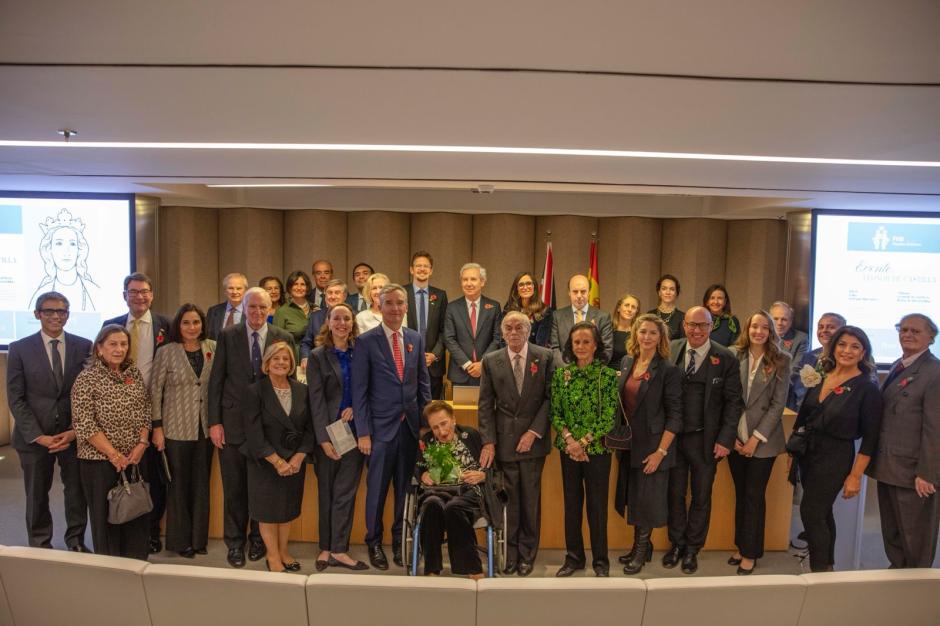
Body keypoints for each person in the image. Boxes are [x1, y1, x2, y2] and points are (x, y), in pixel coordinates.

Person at [208, 287, 294, 568]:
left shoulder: (283, 337)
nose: (257, 312)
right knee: (234, 489)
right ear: (243, 308)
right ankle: (235, 543)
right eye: (252, 307)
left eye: (262, 307)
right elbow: (216, 382)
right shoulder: (228, 336)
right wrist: (215, 422)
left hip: (267, 431)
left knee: (261, 489)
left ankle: (259, 540)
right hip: (232, 425)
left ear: (271, 309)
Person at [353, 284, 431, 570]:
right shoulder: (366, 342)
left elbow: (423, 385)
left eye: (400, 303)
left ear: (406, 307)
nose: (395, 308)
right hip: (378, 432)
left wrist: (426, 426)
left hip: (409, 429)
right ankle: (373, 542)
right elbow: (359, 393)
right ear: (380, 305)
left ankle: (400, 541)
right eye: (389, 303)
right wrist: (363, 432)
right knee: (376, 491)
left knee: (404, 490)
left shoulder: (415, 339)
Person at [793, 326, 882, 572]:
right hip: (809, 454)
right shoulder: (823, 375)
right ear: (833, 347)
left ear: (863, 353)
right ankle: (827, 567)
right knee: (822, 514)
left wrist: (855, 476)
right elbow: (805, 416)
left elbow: (871, 439)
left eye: (855, 346)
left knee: (810, 512)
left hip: (835, 457)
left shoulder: (867, 388)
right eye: (842, 344)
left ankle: (819, 572)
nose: (847, 350)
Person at [7, 291, 91, 551]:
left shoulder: (84, 345)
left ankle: (75, 541)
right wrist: (38, 435)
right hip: (35, 438)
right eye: (49, 311)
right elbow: (16, 398)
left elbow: (89, 394)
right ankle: (40, 543)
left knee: (76, 493)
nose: (56, 316)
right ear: (37, 314)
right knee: (37, 494)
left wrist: (76, 431)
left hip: (71, 435)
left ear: (68, 315)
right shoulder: (19, 348)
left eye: (61, 311)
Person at [664, 306, 743, 574]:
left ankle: (692, 549)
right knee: (674, 495)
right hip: (673, 439)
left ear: (711, 327)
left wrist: (725, 439)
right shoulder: (671, 350)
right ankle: (676, 544)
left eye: (703, 325)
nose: (696, 330)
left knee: (701, 496)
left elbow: (734, 403)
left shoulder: (726, 357)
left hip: (707, 441)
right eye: (691, 325)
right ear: (683, 325)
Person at [477, 311, 555, 576]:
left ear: (528, 330)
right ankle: (509, 554)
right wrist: (488, 442)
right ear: (502, 332)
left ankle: (527, 554)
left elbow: (550, 398)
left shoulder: (544, 357)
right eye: (508, 328)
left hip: (533, 441)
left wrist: (534, 431)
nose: (513, 332)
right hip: (505, 441)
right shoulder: (491, 360)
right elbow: (485, 404)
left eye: (518, 327)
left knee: (531, 500)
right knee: (509, 501)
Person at [102, 272, 171, 554]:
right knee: (118, 473)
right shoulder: (111, 325)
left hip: (155, 410)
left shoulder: (166, 325)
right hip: (118, 412)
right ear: (124, 295)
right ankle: (119, 529)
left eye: (144, 291)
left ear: (152, 295)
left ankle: (151, 531)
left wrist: (157, 423)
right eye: (133, 292)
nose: (139, 297)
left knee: (152, 477)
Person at [70, 324, 152, 559]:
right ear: (99, 349)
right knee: (106, 518)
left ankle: (137, 563)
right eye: (113, 344)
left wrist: (141, 444)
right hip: (99, 462)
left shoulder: (133, 374)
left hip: (135, 457)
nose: (119, 349)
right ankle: (111, 570)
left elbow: (145, 409)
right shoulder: (86, 379)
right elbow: (85, 423)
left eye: (123, 344)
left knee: (135, 512)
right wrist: (113, 455)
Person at [867, 314, 940, 568]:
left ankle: (916, 589)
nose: (907, 334)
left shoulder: (935, 372)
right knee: (893, 533)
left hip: (914, 473)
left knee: (916, 538)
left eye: (915, 331)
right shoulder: (901, 364)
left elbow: (935, 429)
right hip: (889, 466)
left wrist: (927, 473)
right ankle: (899, 578)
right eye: (903, 329)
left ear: (931, 337)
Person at [615, 314, 683, 575]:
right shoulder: (626, 362)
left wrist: (661, 452)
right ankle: (640, 546)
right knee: (634, 498)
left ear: (661, 338)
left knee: (647, 501)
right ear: (635, 334)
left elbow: (675, 416)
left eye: (653, 333)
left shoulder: (668, 370)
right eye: (643, 332)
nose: (646, 337)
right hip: (629, 444)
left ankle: (641, 552)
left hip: (654, 446)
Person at [550, 322, 618, 577]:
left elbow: (609, 416)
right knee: (572, 505)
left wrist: (584, 442)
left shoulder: (608, 376)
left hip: (597, 452)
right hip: (568, 450)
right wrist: (570, 441)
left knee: (597, 508)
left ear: (596, 344)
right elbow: (555, 413)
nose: (580, 346)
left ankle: (601, 561)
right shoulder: (561, 375)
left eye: (586, 342)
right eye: (576, 342)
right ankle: (574, 558)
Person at [148, 303, 215, 558]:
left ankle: (199, 540)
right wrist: (157, 428)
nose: (191, 327)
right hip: (175, 429)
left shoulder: (213, 348)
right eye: (186, 322)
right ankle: (180, 541)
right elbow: (155, 391)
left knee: (201, 486)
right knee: (178, 487)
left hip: (205, 430)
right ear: (178, 325)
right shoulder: (166, 351)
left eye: (196, 322)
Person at [241, 341, 314, 573]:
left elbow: (310, 428)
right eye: (276, 359)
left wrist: (298, 457)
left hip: (294, 463)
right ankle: (272, 556)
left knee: (287, 510)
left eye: (286, 359)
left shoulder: (303, 390)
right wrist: (277, 461)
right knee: (268, 512)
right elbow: (253, 433)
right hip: (266, 463)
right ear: (267, 363)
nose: (281, 363)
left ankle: (284, 551)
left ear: (292, 364)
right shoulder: (255, 391)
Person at [727, 310, 791, 575]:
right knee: (741, 495)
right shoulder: (733, 354)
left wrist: (755, 439)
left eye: (765, 327)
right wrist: (731, 436)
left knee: (754, 496)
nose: (759, 331)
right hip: (735, 438)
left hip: (762, 441)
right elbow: (726, 398)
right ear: (748, 328)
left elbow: (778, 405)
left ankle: (751, 553)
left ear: (771, 331)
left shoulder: (781, 360)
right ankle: (742, 545)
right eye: (755, 326)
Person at [307, 303, 368, 571]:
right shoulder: (318, 356)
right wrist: (323, 438)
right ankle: (325, 547)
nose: (342, 323)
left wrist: (356, 407)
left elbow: (368, 388)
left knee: (345, 492)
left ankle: (340, 550)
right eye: (336, 318)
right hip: (327, 435)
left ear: (352, 323)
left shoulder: (362, 353)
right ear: (328, 322)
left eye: (346, 318)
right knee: (326, 492)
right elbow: (316, 400)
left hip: (353, 434)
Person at [416, 401, 486, 579]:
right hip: (439, 491)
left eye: (444, 423)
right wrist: (423, 474)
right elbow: (418, 468)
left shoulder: (471, 436)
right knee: (431, 504)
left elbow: (492, 467)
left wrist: (482, 475)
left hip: (469, 492)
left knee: (454, 507)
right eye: (435, 427)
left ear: (453, 420)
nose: (441, 431)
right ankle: (432, 569)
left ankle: (472, 568)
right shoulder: (427, 441)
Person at [28, 208, 100, 312]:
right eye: (59, 243)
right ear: (49, 250)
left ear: (79, 250)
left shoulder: (94, 290)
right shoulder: (41, 292)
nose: (66, 251)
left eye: (72, 244)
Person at [443, 263, 502, 387]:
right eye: (465, 279)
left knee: (486, 407)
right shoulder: (452, 308)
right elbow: (449, 339)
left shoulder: (494, 307)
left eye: (473, 279)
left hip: (486, 372)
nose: (468, 283)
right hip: (460, 372)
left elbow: (497, 339)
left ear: (482, 282)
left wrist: (482, 364)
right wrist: (467, 364)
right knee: (459, 407)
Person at [405, 251, 448, 400]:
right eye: (418, 266)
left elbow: (445, 330)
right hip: (408, 360)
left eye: (426, 266)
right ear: (411, 269)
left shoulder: (440, 295)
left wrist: (434, 354)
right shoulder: (402, 293)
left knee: (432, 408)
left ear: (431, 270)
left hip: (433, 365)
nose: (422, 269)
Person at [549, 274, 613, 367]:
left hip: (593, 374)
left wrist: (589, 370)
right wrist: (568, 370)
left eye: (583, 291)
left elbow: (607, 349)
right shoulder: (557, 316)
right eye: (575, 291)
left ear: (589, 292)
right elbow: (554, 348)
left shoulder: (603, 317)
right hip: (565, 373)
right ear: (569, 293)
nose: (579, 295)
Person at [789, 312, 846, 411]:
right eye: (820, 327)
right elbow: (798, 387)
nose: (824, 330)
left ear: (843, 332)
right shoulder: (809, 357)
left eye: (831, 327)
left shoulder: (849, 359)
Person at [299, 279, 348, 368]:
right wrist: (305, 357)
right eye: (329, 293)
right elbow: (306, 343)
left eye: (337, 293)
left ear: (344, 296)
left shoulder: (354, 316)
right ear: (325, 296)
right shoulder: (315, 316)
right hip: (319, 364)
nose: (332, 296)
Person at [501, 272, 553, 348]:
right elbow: (503, 336)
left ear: (534, 287)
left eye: (528, 284)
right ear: (517, 289)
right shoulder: (509, 308)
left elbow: (541, 343)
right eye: (521, 285)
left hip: (533, 355)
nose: (525, 287)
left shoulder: (544, 310)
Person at [273, 270, 313, 363]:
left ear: (307, 287)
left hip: (316, 358)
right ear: (290, 287)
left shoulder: (315, 308)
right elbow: (277, 341)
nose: (299, 287)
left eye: (302, 284)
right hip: (293, 358)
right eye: (295, 284)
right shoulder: (282, 311)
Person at [206, 273, 249, 341]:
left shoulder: (251, 312)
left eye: (239, 288)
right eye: (231, 288)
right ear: (225, 291)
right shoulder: (213, 311)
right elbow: (208, 337)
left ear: (245, 290)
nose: (234, 292)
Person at [769, 300, 808, 375]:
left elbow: (796, 369)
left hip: (785, 384)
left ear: (790, 322)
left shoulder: (801, 339)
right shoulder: (762, 336)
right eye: (775, 319)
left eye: (784, 319)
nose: (779, 323)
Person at [648, 274, 685, 340]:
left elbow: (682, 343)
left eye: (672, 289)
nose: (668, 292)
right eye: (664, 289)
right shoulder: (650, 315)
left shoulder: (682, 317)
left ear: (676, 293)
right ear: (659, 292)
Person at [611, 293, 641, 366]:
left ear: (636, 312)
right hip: (610, 373)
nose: (630, 309)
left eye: (633, 307)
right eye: (626, 305)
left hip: (633, 374)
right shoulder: (608, 329)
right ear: (618, 308)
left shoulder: (640, 332)